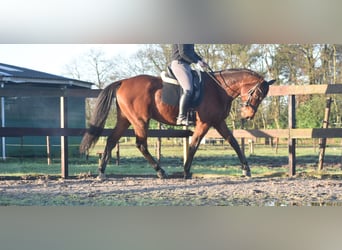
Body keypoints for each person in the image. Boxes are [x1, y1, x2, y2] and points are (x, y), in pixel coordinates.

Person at [170, 44, 208, 125]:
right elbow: (183, 53)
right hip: (179, 64)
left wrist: (201, 59)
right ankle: (181, 117)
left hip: (187, 65)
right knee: (188, 90)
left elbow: (191, 53)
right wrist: (197, 62)